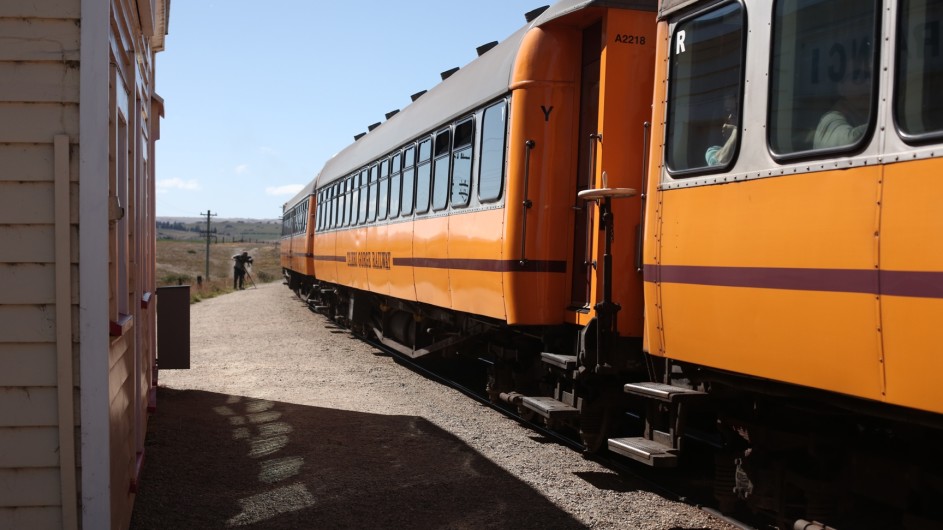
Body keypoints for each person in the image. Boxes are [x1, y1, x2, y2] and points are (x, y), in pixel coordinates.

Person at [813, 39, 873, 149]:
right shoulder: (830, 120)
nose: (868, 83)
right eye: (856, 76)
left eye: (869, 76)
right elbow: (848, 141)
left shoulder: (864, 116)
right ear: (840, 87)